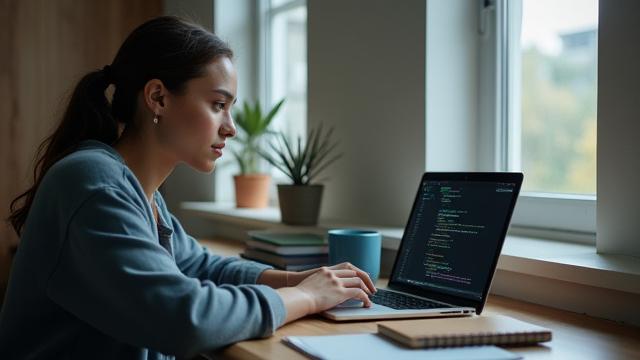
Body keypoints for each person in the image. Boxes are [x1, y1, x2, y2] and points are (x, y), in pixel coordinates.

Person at [0, 16, 375, 359]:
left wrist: (297, 279)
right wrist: (305, 297)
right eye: (217, 104)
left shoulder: (140, 192)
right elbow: (185, 319)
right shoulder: (94, 183)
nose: (230, 127)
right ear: (158, 97)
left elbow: (196, 265)